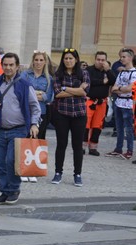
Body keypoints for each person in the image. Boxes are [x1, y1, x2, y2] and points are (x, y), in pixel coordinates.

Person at [0, 52, 41, 205]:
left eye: (11, 65)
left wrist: (34, 124)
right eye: (5, 65)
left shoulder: (24, 85)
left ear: (17, 66)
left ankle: (14, 189)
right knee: (0, 163)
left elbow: (34, 107)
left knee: (11, 161)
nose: (8, 68)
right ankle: (4, 191)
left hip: (18, 129)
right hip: (0, 129)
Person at [51, 48, 90, 187]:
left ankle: (77, 174)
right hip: (62, 113)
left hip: (79, 114)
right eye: (66, 58)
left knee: (77, 146)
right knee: (61, 144)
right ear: (63, 60)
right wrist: (76, 91)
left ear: (76, 60)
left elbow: (84, 92)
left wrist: (65, 88)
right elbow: (57, 94)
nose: (68, 61)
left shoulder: (84, 73)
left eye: (71, 58)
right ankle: (58, 172)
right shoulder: (58, 74)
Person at [20, 50, 54, 182]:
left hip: (42, 112)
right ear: (32, 61)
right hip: (26, 112)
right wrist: (38, 94)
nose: (38, 62)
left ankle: (34, 170)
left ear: (45, 62)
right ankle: (24, 169)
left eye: (41, 60)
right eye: (36, 60)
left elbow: (48, 97)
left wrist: (33, 94)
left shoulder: (48, 78)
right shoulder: (25, 75)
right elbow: (23, 92)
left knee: (38, 140)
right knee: (26, 139)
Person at [84, 51, 116, 156]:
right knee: (86, 125)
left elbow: (114, 81)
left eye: (103, 60)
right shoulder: (88, 70)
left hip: (102, 103)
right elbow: (89, 82)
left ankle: (93, 147)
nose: (100, 62)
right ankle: (82, 147)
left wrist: (108, 70)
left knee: (97, 126)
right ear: (95, 59)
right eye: (98, 60)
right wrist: (103, 82)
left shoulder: (108, 72)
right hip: (89, 101)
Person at [106, 48, 136, 160]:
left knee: (128, 128)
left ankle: (129, 150)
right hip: (118, 102)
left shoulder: (134, 73)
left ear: (130, 58)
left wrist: (119, 88)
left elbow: (129, 89)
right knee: (118, 127)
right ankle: (118, 149)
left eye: (124, 57)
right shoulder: (121, 72)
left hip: (128, 104)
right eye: (121, 57)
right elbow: (114, 88)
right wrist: (120, 89)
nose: (121, 59)